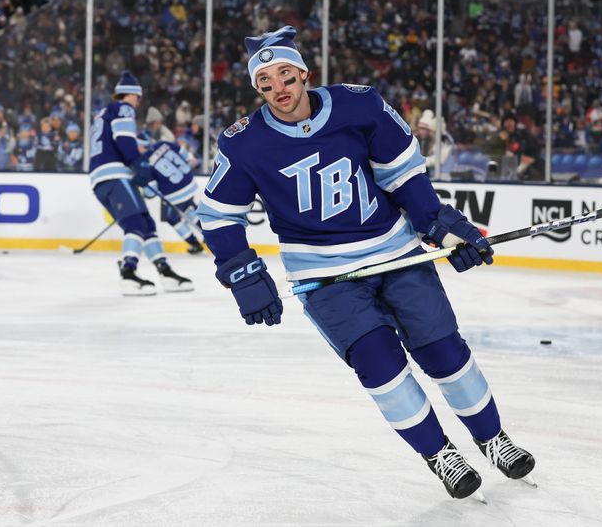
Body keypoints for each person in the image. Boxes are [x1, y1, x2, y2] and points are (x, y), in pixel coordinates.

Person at [197, 26, 535, 500]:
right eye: (266, 83)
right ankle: (440, 453)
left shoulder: (360, 106)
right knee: (380, 366)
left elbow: (403, 177)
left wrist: (439, 224)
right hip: (325, 277)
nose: (279, 90)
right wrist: (242, 273)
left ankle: (492, 438)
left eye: (286, 76)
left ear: (304, 74)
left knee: (443, 353)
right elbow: (218, 217)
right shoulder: (245, 142)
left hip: (394, 254)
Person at [89, 70, 193, 296]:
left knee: (146, 224)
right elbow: (124, 141)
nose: (138, 102)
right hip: (114, 175)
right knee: (136, 224)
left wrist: (140, 151)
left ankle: (165, 271)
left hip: (105, 177)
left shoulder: (104, 113)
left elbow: (125, 140)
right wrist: (139, 164)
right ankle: (128, 273)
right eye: (138, 97)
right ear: (131, 94)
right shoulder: (123, 108)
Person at [132, 132, 205, 254]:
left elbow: (151, 193)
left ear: (140, 146)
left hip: (175, 193)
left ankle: (196, 243)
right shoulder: (163, 143)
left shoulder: (144, 162)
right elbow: (187, 156)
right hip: (189, 182)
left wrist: (143, 185)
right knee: (189, 209)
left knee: (172, 218)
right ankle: (209, 234)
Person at [416, 109, 457, 181]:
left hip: (444, 176)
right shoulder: (438, 140)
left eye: (432, 132)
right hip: (435, 175)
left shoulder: (446, 140)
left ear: (437, 131)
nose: (430, 134)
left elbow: (439, 160)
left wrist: (420, 162)